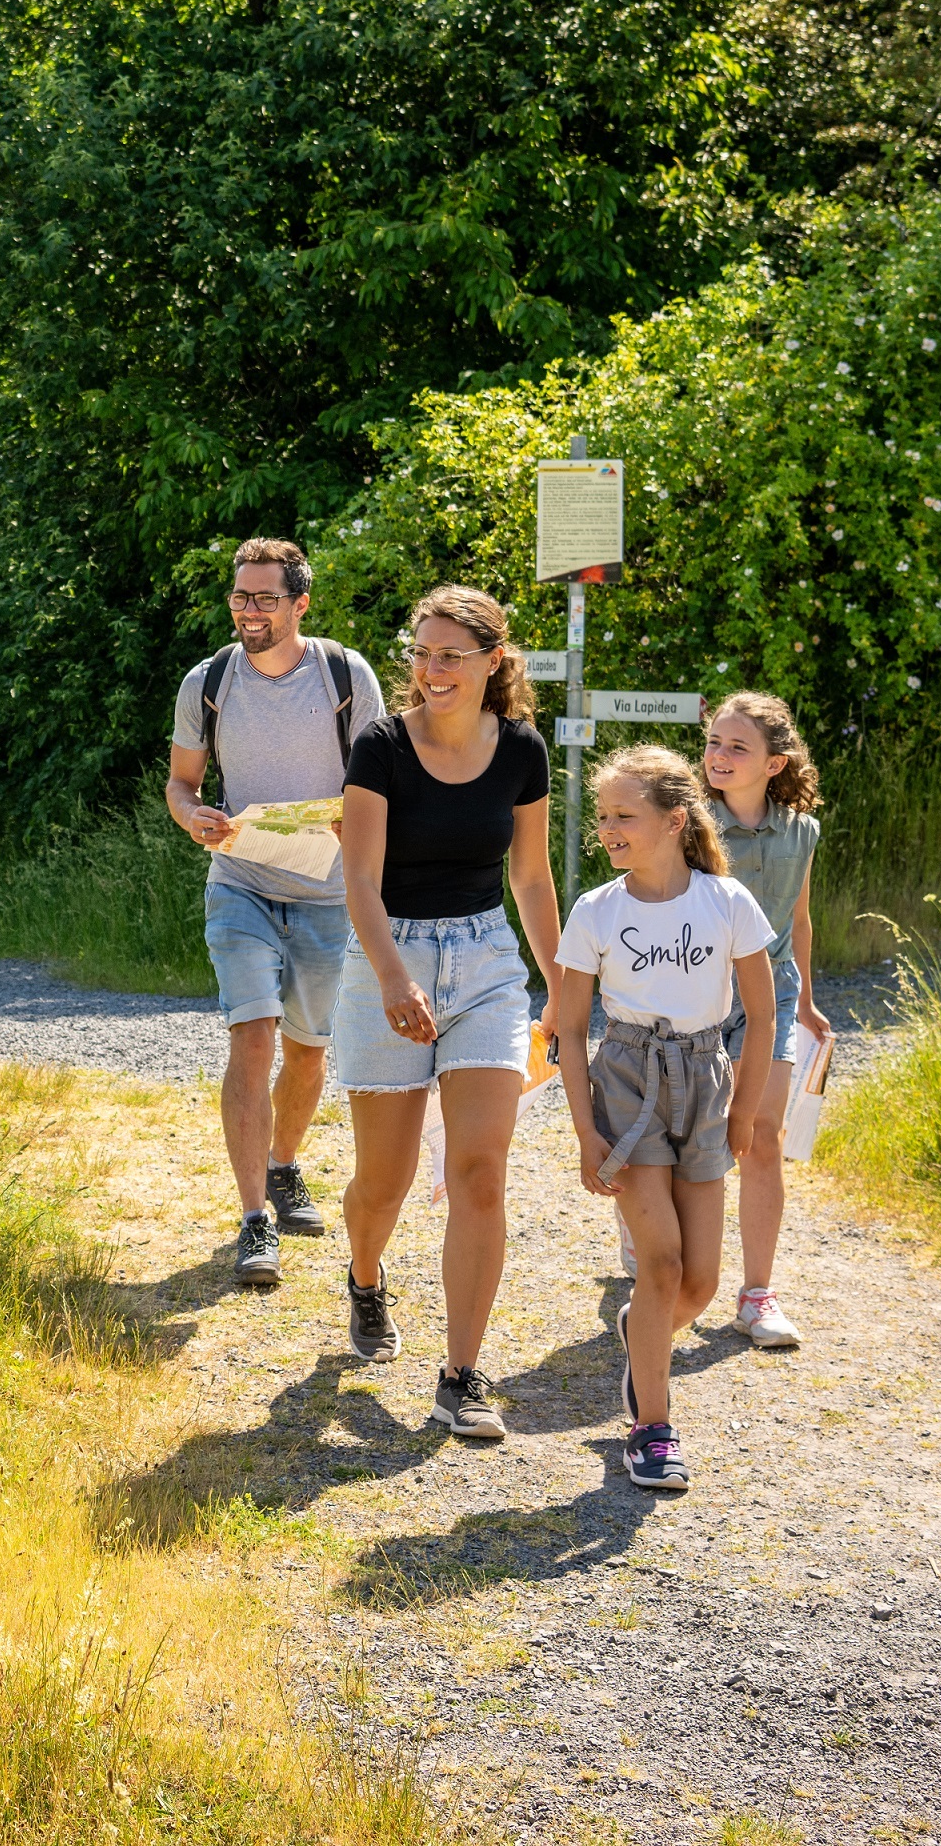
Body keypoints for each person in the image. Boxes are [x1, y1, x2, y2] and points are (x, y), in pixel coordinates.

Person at [334, 585, 561, 1442]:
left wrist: (563, 981)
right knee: (383, 1181)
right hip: (384, 954)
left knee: (478, 1171)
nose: (431, 670)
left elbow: (531, 880)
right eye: (421, 653)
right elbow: (358, 878)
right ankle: (364, 1276)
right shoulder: (381, 746)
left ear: (491, 661)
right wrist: (393, 978)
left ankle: (461, 1375)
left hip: (485, 964)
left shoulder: (522, 750)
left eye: (449, 655)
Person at [546, 745, 778, 1493]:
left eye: (623, 815)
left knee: (702, 1284)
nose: (607, 829)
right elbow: (569, 1032)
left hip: (705, 1085)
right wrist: (586, 1132)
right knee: (662, 1264)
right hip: (626, 1083)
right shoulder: (594, 912)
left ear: (674, 820)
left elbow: (762, 1016)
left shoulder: (726, 902)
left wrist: (743, 1109)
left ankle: (639, 1333)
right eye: (603, 816)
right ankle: (651, 1427)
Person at [164, 537, 388, 1291]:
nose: (247, 611)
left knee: (306, 1050)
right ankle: (253, 1219)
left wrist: (349, 823)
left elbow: (378, 781)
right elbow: (180, 784)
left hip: (327, 892)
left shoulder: (342, 673)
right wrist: (193, 818)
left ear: (299, 604)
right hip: (240, 883)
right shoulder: (209, 680)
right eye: (239, 597)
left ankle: (284, 1167)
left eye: (263, 598)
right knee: (251, 1036)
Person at [702, 691, 832, 1349]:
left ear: (774, 764)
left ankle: (756, 1295)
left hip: (771, 999)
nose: (718, 757)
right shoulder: (687, 825)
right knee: (688, 1133)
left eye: (736, 747)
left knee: (761, 1133)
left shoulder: (802, 832)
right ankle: (662, 1253)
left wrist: (804, 999)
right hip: (693, 995)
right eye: (713, 744)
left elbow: (798, 919)